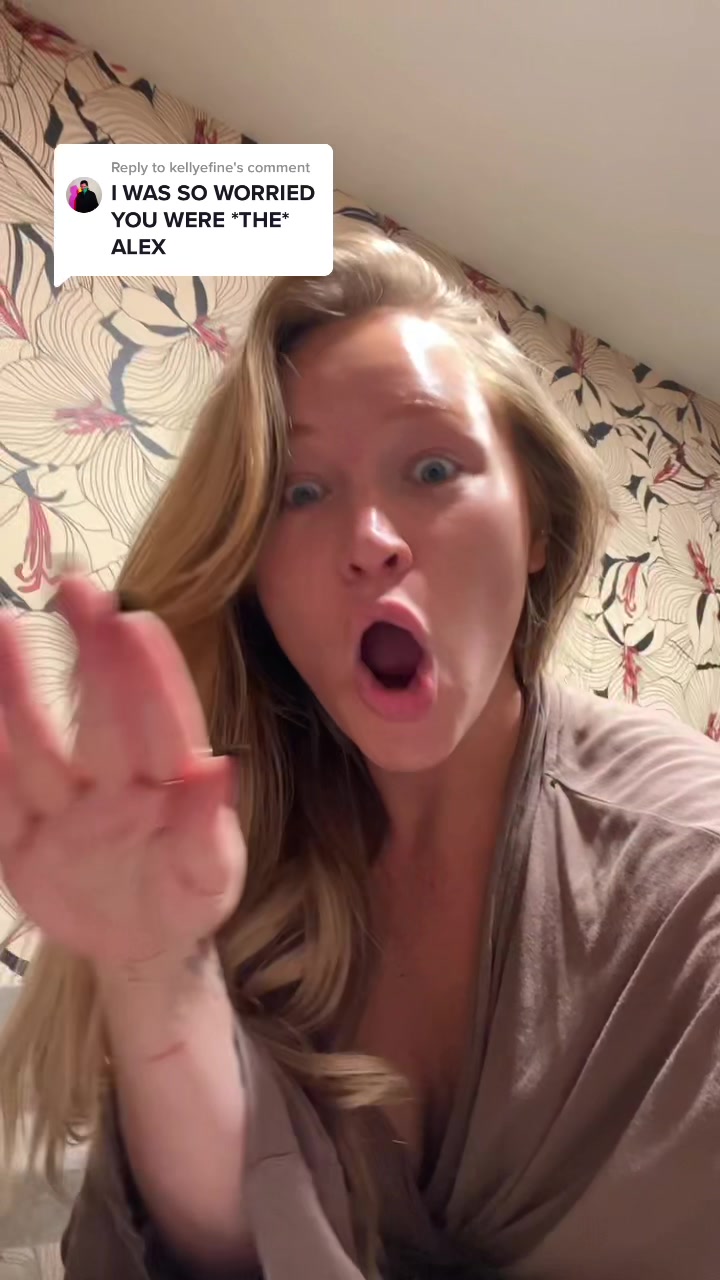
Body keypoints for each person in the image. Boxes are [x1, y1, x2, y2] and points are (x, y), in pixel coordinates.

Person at [0, 226, 718, 1280]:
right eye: (301, 492)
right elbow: (220, 1240)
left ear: (537, 529)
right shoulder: (231, 852)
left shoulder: (693, 873)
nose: (369, 538)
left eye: (433, 467)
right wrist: (153, 974)